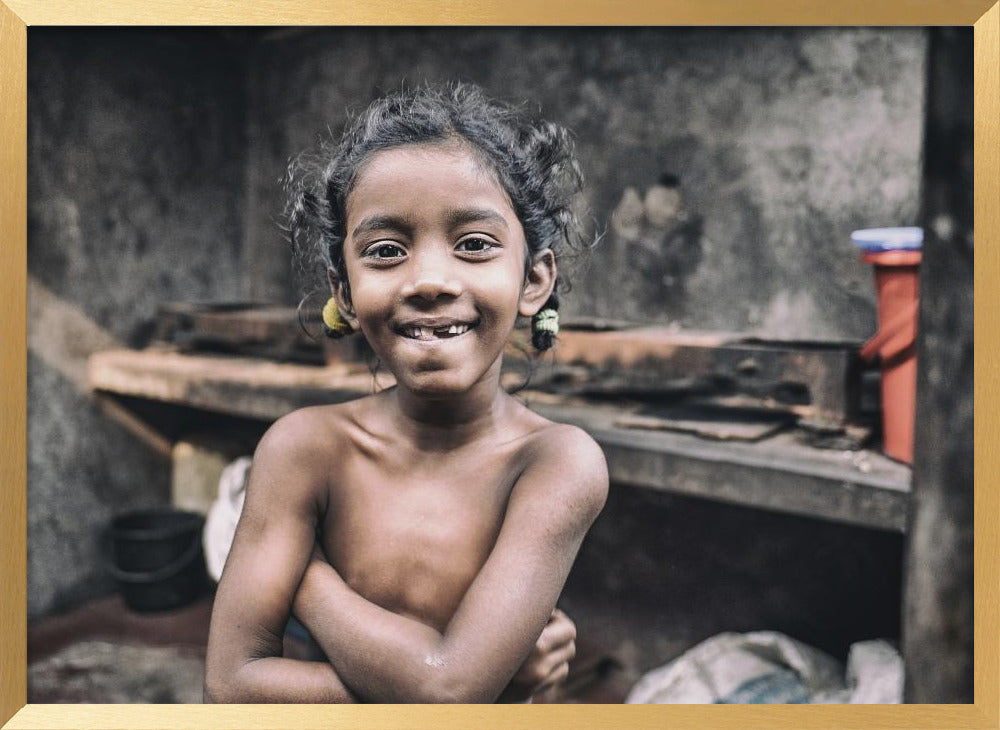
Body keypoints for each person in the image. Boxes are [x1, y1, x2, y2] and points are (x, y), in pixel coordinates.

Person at [203, 83, 608, 704]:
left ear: (533, 280)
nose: (429, 281)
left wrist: (308, 580)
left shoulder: (556, 463)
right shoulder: (305, 448)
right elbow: (231, 688)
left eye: (475, 244)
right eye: (386, 251)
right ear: (344, 293)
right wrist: (493, 687)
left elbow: (448, 691)